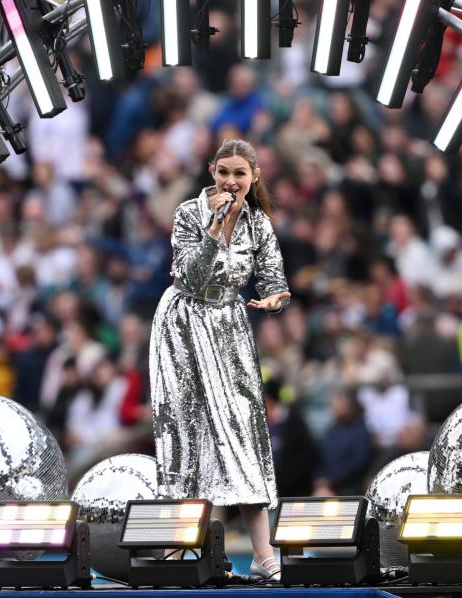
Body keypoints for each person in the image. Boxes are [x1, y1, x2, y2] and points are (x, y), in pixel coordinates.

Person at [149, 139, 291, 581]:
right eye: (224, 172)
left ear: (254, 179)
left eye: (240, 174)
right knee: (185, 431)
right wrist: (214, 225)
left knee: (242, 433)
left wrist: (275, 301)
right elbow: (188, 277)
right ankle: (176, 548)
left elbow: (274, 281)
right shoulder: (189, 214)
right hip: (182, 325)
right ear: (212, 171)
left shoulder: (260, 225)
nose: (231, 181)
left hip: (229, 327)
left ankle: (265, 556)